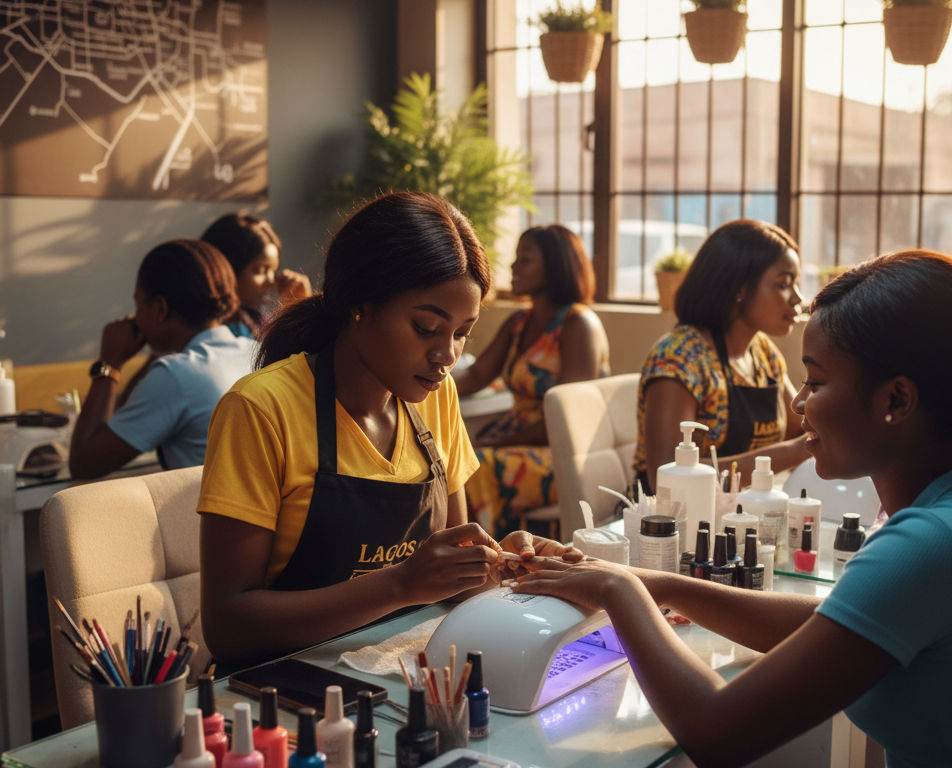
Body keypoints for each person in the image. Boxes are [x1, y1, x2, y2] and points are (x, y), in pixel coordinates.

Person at [510, 250, 952, 768]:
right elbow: (834, 623)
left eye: (816, 380)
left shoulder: (932, 543)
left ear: (896, 399)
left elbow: (714, 733)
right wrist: (660, 582)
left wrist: (620, 590)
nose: (800, 403)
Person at [197, 192, 578, 670]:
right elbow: (228, 627)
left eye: (462, 333)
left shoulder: (436, 398)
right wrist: (399, 584)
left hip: (401, 670)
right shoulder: (261, 409)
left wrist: (505, 563)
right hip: (282, 688)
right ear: (359, 302)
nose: (447, 356)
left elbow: (453, 570)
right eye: (425, 327)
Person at [456, 224, 610, 539]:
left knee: (475, 466)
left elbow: (569, 418)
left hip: (562, 454)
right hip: (516, 441)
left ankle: (482, 561)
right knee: (456, 460)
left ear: (555, 266)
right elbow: (474, 375)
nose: (513, 267)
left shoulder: (579, 325)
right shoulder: (518, 322)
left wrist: (500, 442)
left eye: (525, 258)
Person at [635, 219, 810, 494]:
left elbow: (799, 428)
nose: (797, 298)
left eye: (796, 284)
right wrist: (795, 452)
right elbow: (666, 477)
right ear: (740, 287)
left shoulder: (763, 353)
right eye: (784, 284)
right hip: (670, 524)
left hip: (739, 513)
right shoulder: (678, 359)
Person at [69, 240, 256, 478]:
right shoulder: (255, 351)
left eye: (138, 305)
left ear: (160, 308)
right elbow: (126, 416)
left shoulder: (177, 375)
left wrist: (110, 363)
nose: (135, 317)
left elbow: (83, 464)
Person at [201, 212, 312, 338]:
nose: (271, 281)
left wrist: (296, 307)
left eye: (273, 270)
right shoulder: (214, 332)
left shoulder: (259, 321)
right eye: (259, 271)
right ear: (226, 269)